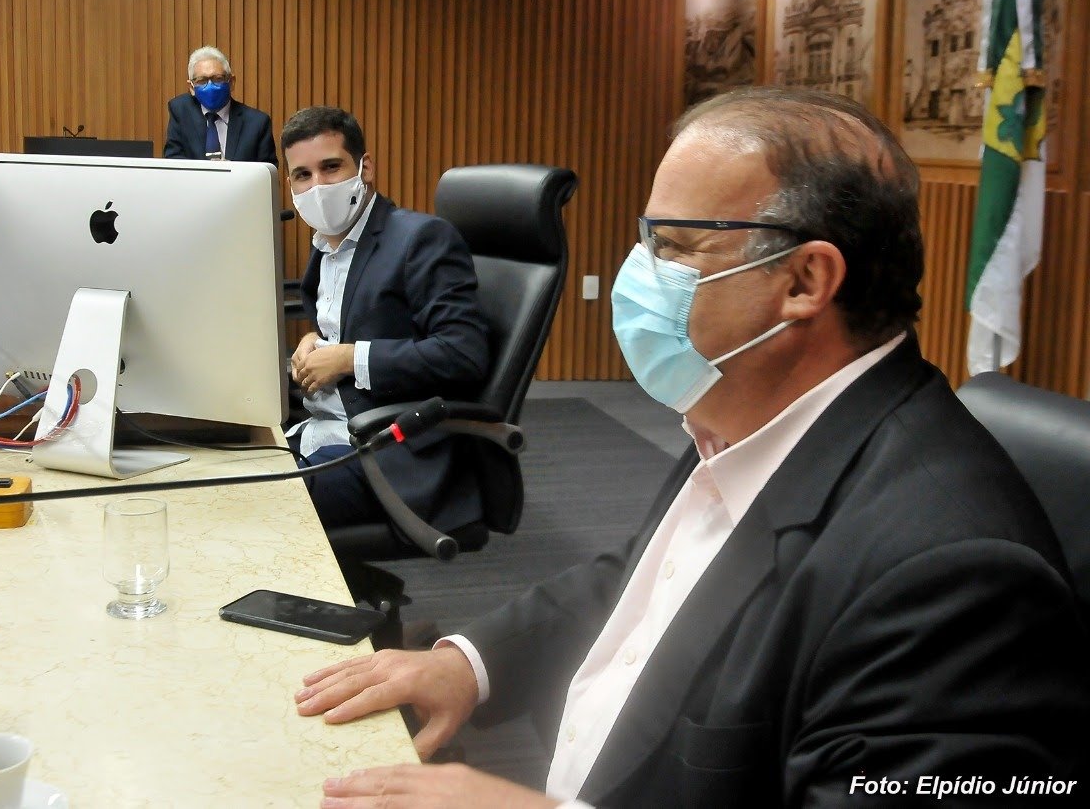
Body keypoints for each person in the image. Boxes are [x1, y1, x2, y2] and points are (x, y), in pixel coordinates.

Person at [293, 87, 1090, 807]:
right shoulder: (750, 407)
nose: (637, 273)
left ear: (805, 281)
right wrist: (469, 664)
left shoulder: (954, 583)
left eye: (674, 246)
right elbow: (643, 582)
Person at [281, 105, 489, 532]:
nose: (317, 186)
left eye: (331, 167)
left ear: (366, 167)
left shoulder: (420, 239)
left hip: (387, 449)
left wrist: (347, 358)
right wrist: (315, 341)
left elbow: (463, 354)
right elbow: (362, 320)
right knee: (215, 471)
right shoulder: (325, 247)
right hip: (321, 427)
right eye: (303, 175)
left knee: (258, 500)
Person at [163, 45, 277, 165]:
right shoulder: (181, 112)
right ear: (191, 88)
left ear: (231, 82)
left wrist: (235, 171)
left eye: (217, 79)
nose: (210, 86)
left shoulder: (257, 123)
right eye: (202, 81)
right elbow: (173, 161)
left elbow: (268, 171)